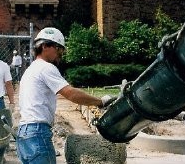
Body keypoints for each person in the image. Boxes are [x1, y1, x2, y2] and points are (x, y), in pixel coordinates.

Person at [16, 27, 116, 164]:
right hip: (37, 133)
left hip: (24, 135)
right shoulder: (46, 67)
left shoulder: (31, 69)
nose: (60, 54)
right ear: (45, 46)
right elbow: (71, 93)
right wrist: (100, 102)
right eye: (58, 49)